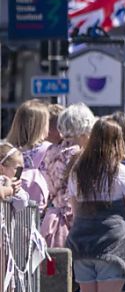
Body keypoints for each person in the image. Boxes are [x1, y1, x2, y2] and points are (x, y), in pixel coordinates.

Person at [66, 118, 125, 292]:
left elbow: (76, 213)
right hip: (113, 247)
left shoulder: (77, 173)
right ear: (118, 142)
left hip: (82, 245)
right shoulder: (122, 173)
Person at [40, 103, 95, 247]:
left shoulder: (51, 151)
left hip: (52, 219)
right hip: (74, 220)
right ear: (84, 128)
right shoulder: (80, 155)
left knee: (55, 267)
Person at [6, 99, 51, 209]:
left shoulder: (7, 151)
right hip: (41, 214)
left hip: (11, 213)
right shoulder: (49, 150)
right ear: (41, 125)